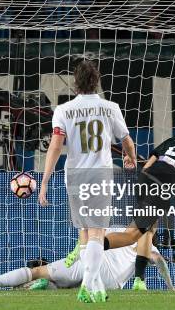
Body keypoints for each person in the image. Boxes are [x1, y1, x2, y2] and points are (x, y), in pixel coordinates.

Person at [38, 60, 137, 303]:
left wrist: (44, 181)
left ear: (75, 83)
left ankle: (96, 285)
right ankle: (88, 284)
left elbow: (55, 145)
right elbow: (125, 138)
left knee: (84, 231)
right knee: (97, 232)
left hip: (74, 175)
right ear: (97, 81)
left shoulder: (63, 110)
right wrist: (131, 158)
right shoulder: (110, 107)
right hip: (100, 174)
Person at [91, 125, 175, 291]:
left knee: (150, 229)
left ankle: (139, 280)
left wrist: (143, 183)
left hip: (145, 179)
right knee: (131, 236)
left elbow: (148, 163)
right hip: (164, 188)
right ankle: (89, 244)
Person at [0, 228, 175, 292]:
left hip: (87, 261)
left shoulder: (117, 231)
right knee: (69, 293)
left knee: (38, 271)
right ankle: (49, 287)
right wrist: (170, 286)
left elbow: (90, 239)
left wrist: (74, 255)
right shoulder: (150, 247)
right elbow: (160, 262)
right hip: (109, 283)